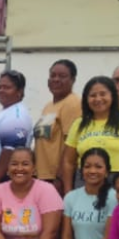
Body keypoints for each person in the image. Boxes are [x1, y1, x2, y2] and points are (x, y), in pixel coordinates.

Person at [59, 76, 119, 193]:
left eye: (103, 94)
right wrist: (68, 192)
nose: (98, 99)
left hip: (117, 182)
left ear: (112, 96)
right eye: (93, 95)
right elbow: (68, 162)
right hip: (84, 182)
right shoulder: (78, 124)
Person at [32, 59, 81, 194]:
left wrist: (60, 179)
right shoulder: (49, 106)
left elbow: (70, 145)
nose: (56, 79)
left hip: (56, 178)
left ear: (73, 80)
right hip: (41, 175)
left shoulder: (73, 103)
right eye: (52, 75)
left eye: (62, 76)